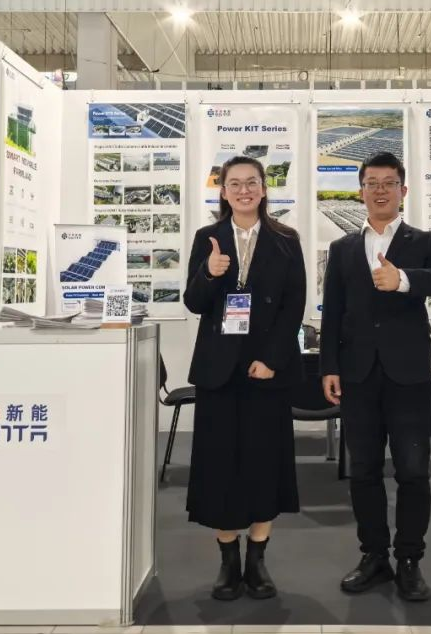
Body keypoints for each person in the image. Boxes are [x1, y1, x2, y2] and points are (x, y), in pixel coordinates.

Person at [319, 152, 431, 602]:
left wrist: (403, 279)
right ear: (361, 191)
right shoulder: (342, 249)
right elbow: (333, 312)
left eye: (389, 183)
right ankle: (374, 556)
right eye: (372, 183)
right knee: (363, 471)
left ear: (403, 190)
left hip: (408, 374)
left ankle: (410, 560)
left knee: (413, 471)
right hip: (357, 375)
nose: (380, 191)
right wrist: (329, 366)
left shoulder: (424, 240)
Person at [183, 155, 306, 601]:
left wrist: (273, 358)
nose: (243, 190)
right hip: (219, 369)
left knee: (263, 462)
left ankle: (257, 559)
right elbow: (194, 302)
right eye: (234, 184)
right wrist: (209, 273)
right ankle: (227, 560)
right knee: (219, 464)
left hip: (265, 369)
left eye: (251, 182)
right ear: (223, 191)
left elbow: (294, 305)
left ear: (264, 188)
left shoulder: (286, 240)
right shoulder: (208, 238)